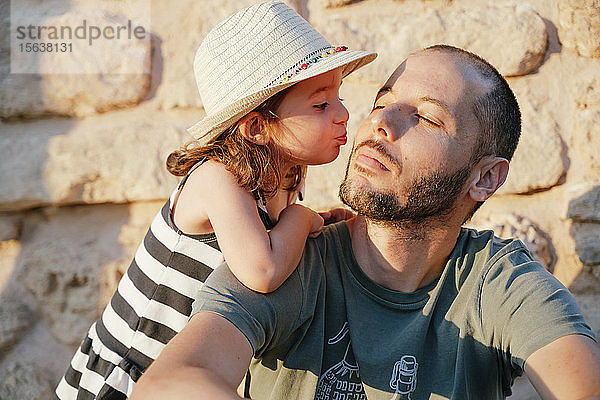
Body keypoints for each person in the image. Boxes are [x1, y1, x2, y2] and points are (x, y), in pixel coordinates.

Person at [130, 44, 600, 400]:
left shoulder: (498, 283)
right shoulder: (294, 258)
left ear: (484, 178)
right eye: (382, 101)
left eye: (427, 119)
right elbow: (168, 384)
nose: (381, 123)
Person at [54, 2, 376, 399]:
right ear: (257, 126)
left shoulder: (285, 174)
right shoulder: (219, 177)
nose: (343, 113)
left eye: (338, 96)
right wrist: (303, 218)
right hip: (127, 376)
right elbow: (263, 269)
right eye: (321, 104)